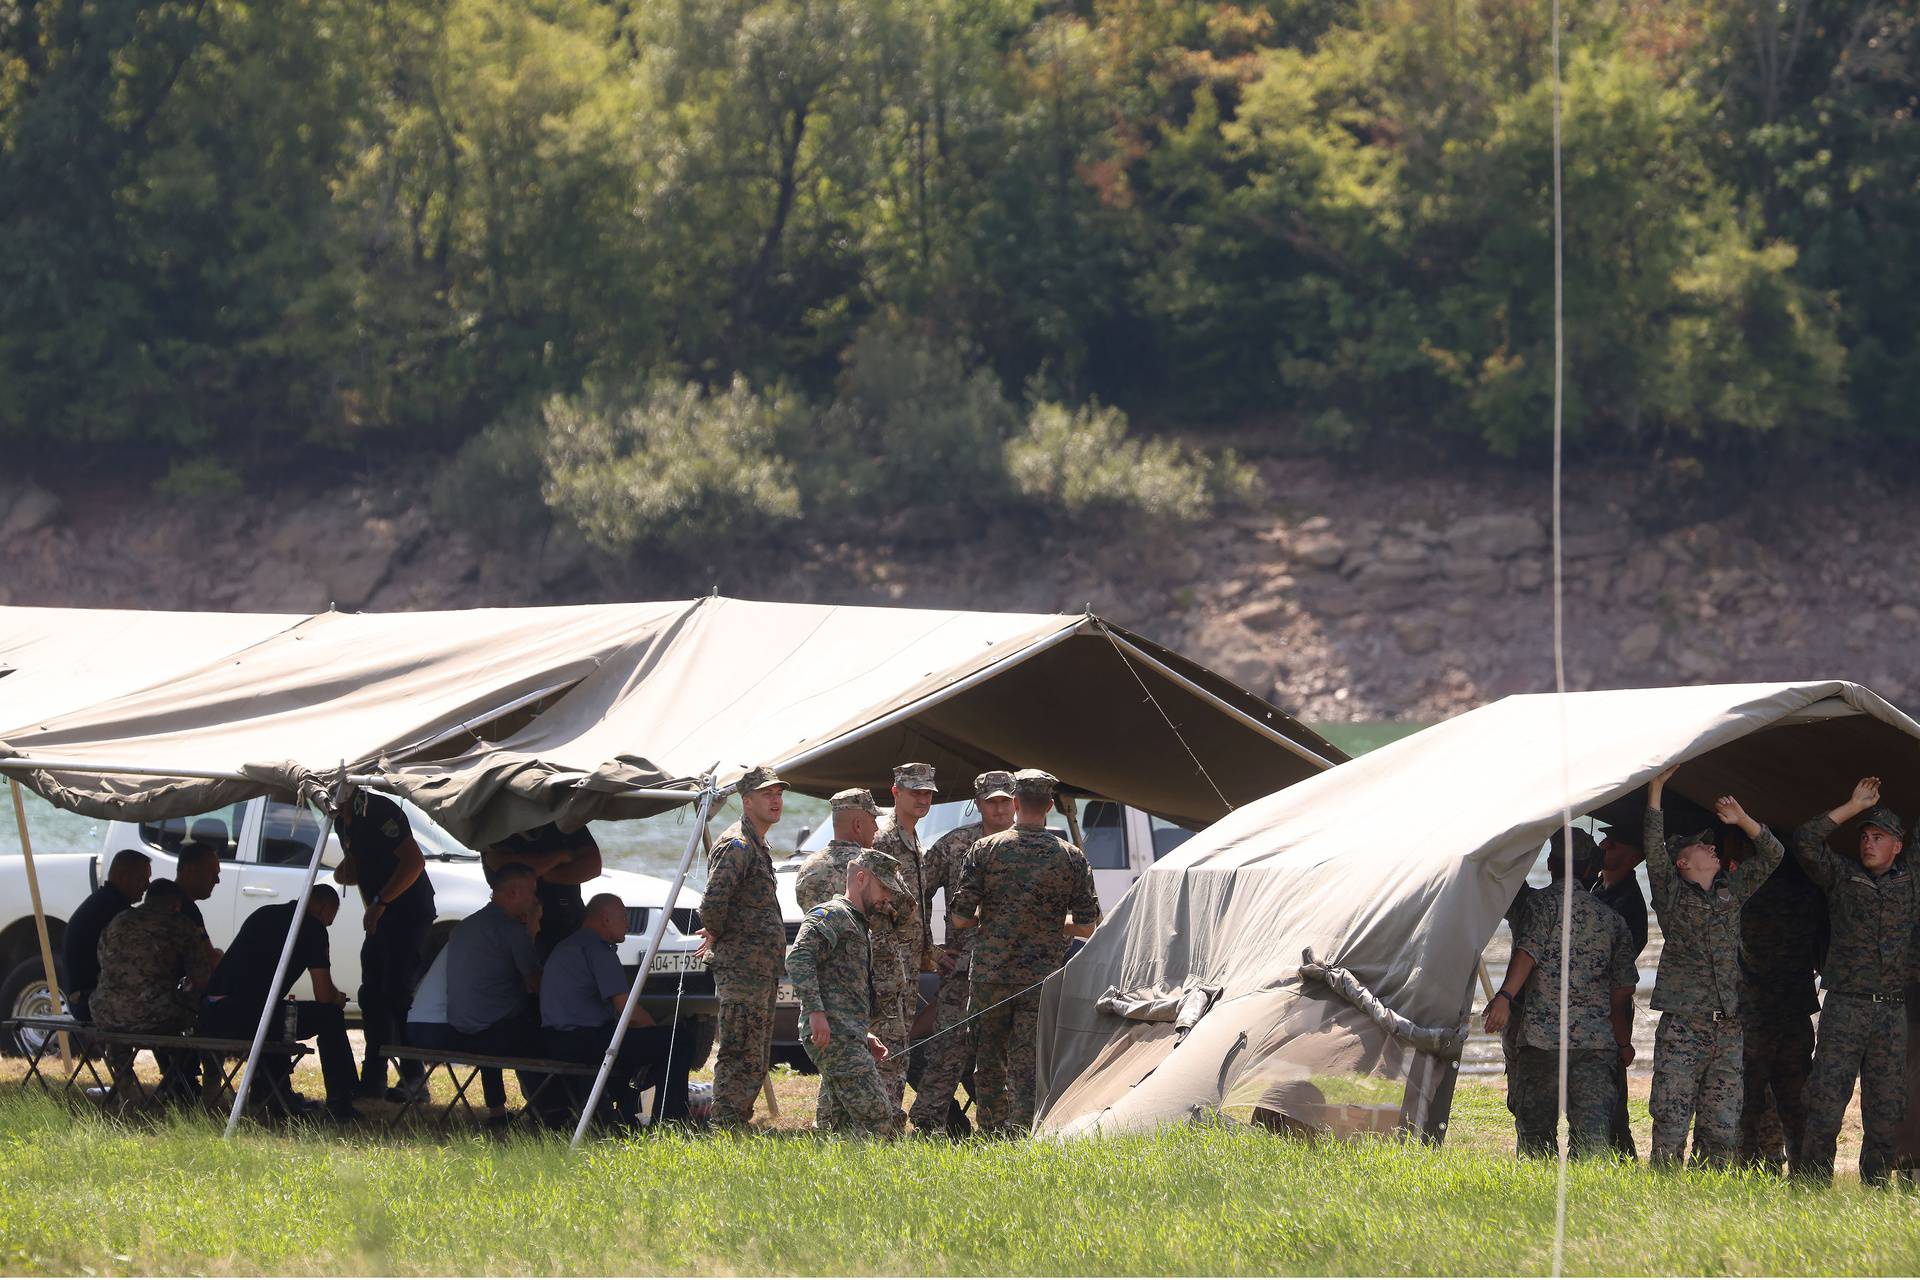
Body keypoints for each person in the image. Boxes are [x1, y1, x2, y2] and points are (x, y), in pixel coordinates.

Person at [1641, 770, 1781, 1168]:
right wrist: (1655, 790)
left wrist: (1743, 820)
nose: (1712, 848)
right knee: (1671, 1119)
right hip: (1686, 1025)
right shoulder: (1671, 896)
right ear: (1683, 862)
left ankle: (1710, 1197)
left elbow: (1773, 855)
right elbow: (1653, 847)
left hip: (1728, 1028)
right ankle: (1664, 1196)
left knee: (1721, 1127)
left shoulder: (1730, 894)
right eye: (1703, 846)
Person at [949, 768, 1099, 1135]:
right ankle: (1024, 1130)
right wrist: (1048, 921)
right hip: (1041, 978)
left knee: (988, 1059)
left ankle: (990, 1131)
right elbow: (1087, 927)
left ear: (1014, 803)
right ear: (1049, 805)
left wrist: (997, 914)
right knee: (1029, 1059)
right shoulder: (1071, 857)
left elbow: (959, 919)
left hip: (990, 975)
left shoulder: (984, 850)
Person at [1790, 777, 1918, 1185]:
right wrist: (1852, 805)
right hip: (1846, 1006)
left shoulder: (1911, 881)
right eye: (1864, 836)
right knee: (1826, 1102)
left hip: (1891, 1011)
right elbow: (1806, 840)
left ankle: (1877, 1190)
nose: (1868, 843)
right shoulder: (1842, 878)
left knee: (1885, 1109)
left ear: (1898, 846)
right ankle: (1811, 1188)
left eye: (1878, 837)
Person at [1482, 842, 1637, 1160]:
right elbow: (1620, 993)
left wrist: (1504, 996)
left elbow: (1527, 948)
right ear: (1590, 869)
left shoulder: (1533, 905)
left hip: (1541, 1043)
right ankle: (1590, 1203)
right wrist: (1622, 1043)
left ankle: (1537, 1201)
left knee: (1536, 1136)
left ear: (1551, 865)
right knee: (1591, 1139)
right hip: (1594, 1046)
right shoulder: (1611, 919)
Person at [908, 769, 1016, 1136]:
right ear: (978, 804)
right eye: (991, 802)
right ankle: (930, 1122)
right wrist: (930, 948)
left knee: (1008, 1052)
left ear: (1016, 802)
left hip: (1016, 972)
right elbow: (914, 892)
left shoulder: (1033, 846)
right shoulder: (955, 845)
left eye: (1005, 801)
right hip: (963, 968)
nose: (999, 809)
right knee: (947, 1048)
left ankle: (1007, 1126)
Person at [198, 885, 358, 1121]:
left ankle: (274, 1094)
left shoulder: (264, 913)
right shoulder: (312, 927)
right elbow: (324, 995)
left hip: (212, 1013)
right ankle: (341, 1102)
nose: (329, 924)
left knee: (278, 1013)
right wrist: (337, 998)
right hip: (246, 1016)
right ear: (324, 908)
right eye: (330, 918)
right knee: (330, 1015)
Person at [540, 893, 696, 1128]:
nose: (628, 924)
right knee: (678, 1039)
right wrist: (655, 1031)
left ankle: (627, 1111)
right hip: (583, 1042)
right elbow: (629, 1013)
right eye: (624, 917)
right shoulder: (598, 950)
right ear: (605, 919)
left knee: (639, 1041)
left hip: (555, 1039)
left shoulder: (567, 945)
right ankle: (671, 1119)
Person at [786, 850, 906, 1137]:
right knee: (877, 1117)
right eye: (884, 888)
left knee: (835, 1126)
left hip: (846, 1033)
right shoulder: (832, 915)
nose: (887, 897)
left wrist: (862, 1034)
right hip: (834, 1036)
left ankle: (831, 1176)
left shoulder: (856, 922)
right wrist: (816, 1013)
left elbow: (840, 986)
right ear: (861, 878)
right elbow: (799, 957)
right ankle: (879, 1177)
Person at [695, 765, 788, 1129]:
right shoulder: (738, 844)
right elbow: (713, 902)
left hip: (758, 967)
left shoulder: (756, 842)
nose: (776, 800)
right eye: (767, 794)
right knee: (740, 1048)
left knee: (755, 1051)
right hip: (742, 967)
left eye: (778, 793)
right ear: (747, 801)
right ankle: (726, 1124)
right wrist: (716, 933)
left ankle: (737, 1121)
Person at [334, 789, 434, 1102]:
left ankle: (415, 1079)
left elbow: (414, 862)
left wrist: (381, 903)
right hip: (380, 914)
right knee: (372, 995)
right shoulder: (341, 822)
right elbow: (357, 862)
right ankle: (374, 1078)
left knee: (399, 993)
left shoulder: (378, 810)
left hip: (408, 912)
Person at [1736, 850, 1826, 1171]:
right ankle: (1804, 1175)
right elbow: (1821, 956)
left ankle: (1747, 1170)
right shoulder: (1811, 896)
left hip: (1755, 1013)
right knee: (1796, 1102)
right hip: (1794, 1011)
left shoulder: (1746, 894)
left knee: (1749, 1101)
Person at [91, 879, 212, 1098]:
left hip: (105, 1013)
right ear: (175, 904)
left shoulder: (118, 921)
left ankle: (124, 1082)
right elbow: (202, 979)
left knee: (122, 1013)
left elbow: (104, 964)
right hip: (155, 1016)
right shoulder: (179, 925)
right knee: (197, 1009)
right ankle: (185, 1081)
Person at [444, 862, 543, 1126]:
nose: (535, 899)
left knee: (500, 1015)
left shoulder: (467, 925)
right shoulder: (510, 929)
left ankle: (497, 1111)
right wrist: (533, 929)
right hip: (492, 1031)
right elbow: (536, 983)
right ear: (513, 893)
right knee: (548, 1029)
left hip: (458, 1027)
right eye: (532, 893)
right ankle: (548, 1109)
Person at [870, 762, 938, 1114]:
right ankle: (883, 1119)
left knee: (899, 1039)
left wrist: (928, 950)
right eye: (915, 793)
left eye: (927, 793)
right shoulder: (883, 838)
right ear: (896, 792)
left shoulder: (912, 836)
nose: (922, 799)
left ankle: (889, 1116)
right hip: (887, 959)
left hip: (908, 959)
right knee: (887, 1041)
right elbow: (875, 901)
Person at [1591, 818, 1648, 1159]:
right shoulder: (1594, 887)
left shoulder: (1630, 906)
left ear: (1634, 856)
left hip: (1607, 1014)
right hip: (1583, 1012)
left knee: (1611, 1105)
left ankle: (1621, 1163)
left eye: (1612, 843)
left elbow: (1617, 976)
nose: (1603, 846)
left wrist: (1623, 1039)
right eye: (1604, 841)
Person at [484, 821, 601, 960]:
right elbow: (497, 863)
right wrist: (558, 857)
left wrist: (540, 874)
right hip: (519, 924)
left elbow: (593, 866)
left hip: (567, 921)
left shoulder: (565, 819)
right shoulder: (497, 820)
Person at [62, 849, 151, 1024]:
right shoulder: (115, 911)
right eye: (142, 879)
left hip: (87, 998)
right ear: (123, 877)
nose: (147, 886)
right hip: (91, 1002)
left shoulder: (103, 901)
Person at [795, 790, 879, 913]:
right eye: (873, 821)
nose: (876, 828)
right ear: (858, 826)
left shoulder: (808, 866)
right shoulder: (871, 865)